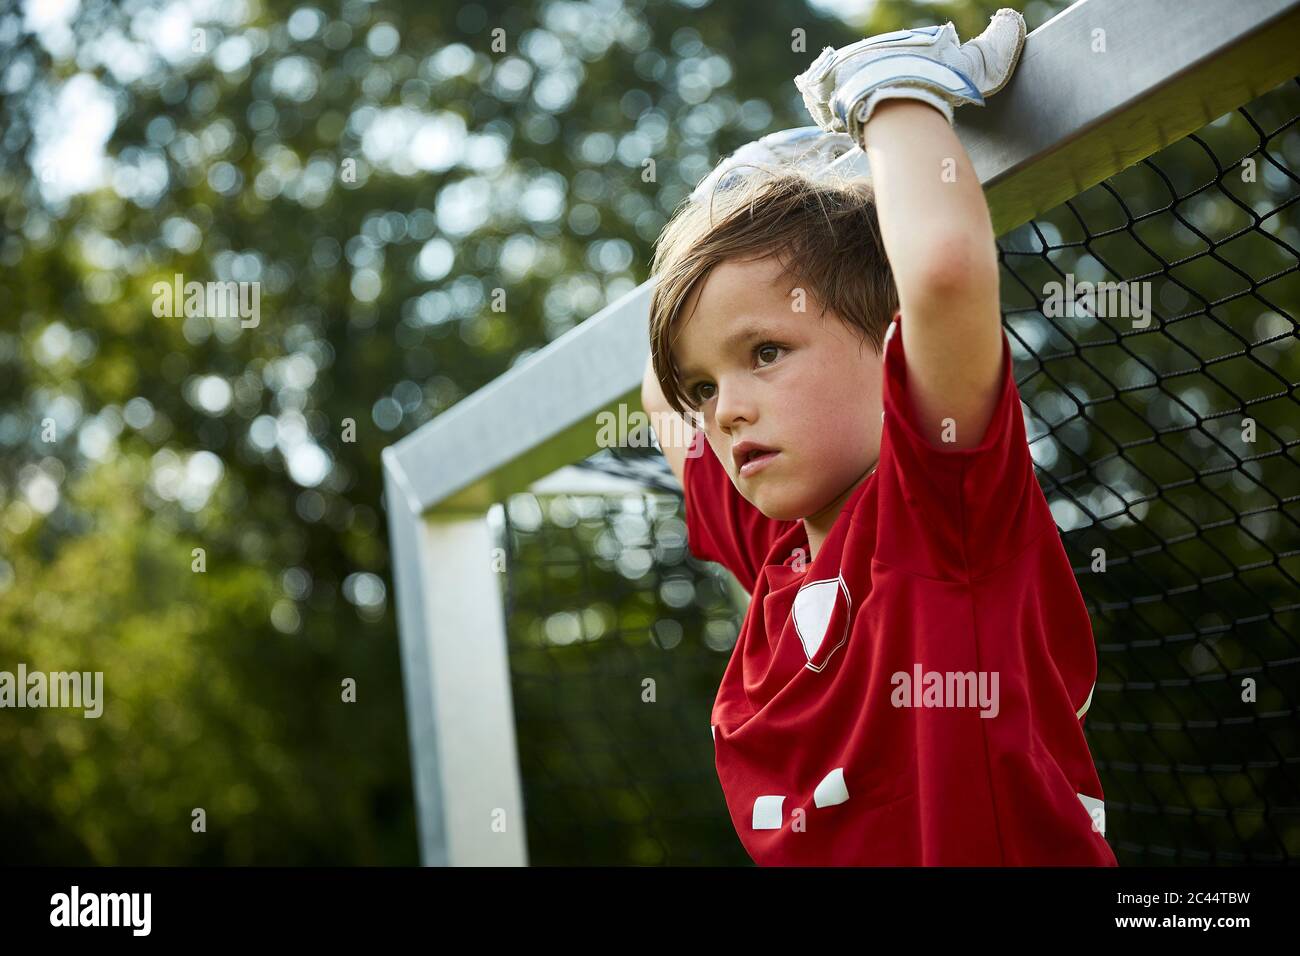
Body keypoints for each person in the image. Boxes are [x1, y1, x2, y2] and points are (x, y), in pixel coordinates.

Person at [640, 9, 1118, 866]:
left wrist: (889, 89)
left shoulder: (943, 509)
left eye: (767, 351)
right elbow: (665, 399)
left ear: (893, 336)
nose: (725, 411)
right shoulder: (783, 561)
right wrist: (738, 195)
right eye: (708, 387)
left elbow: (940, 272)